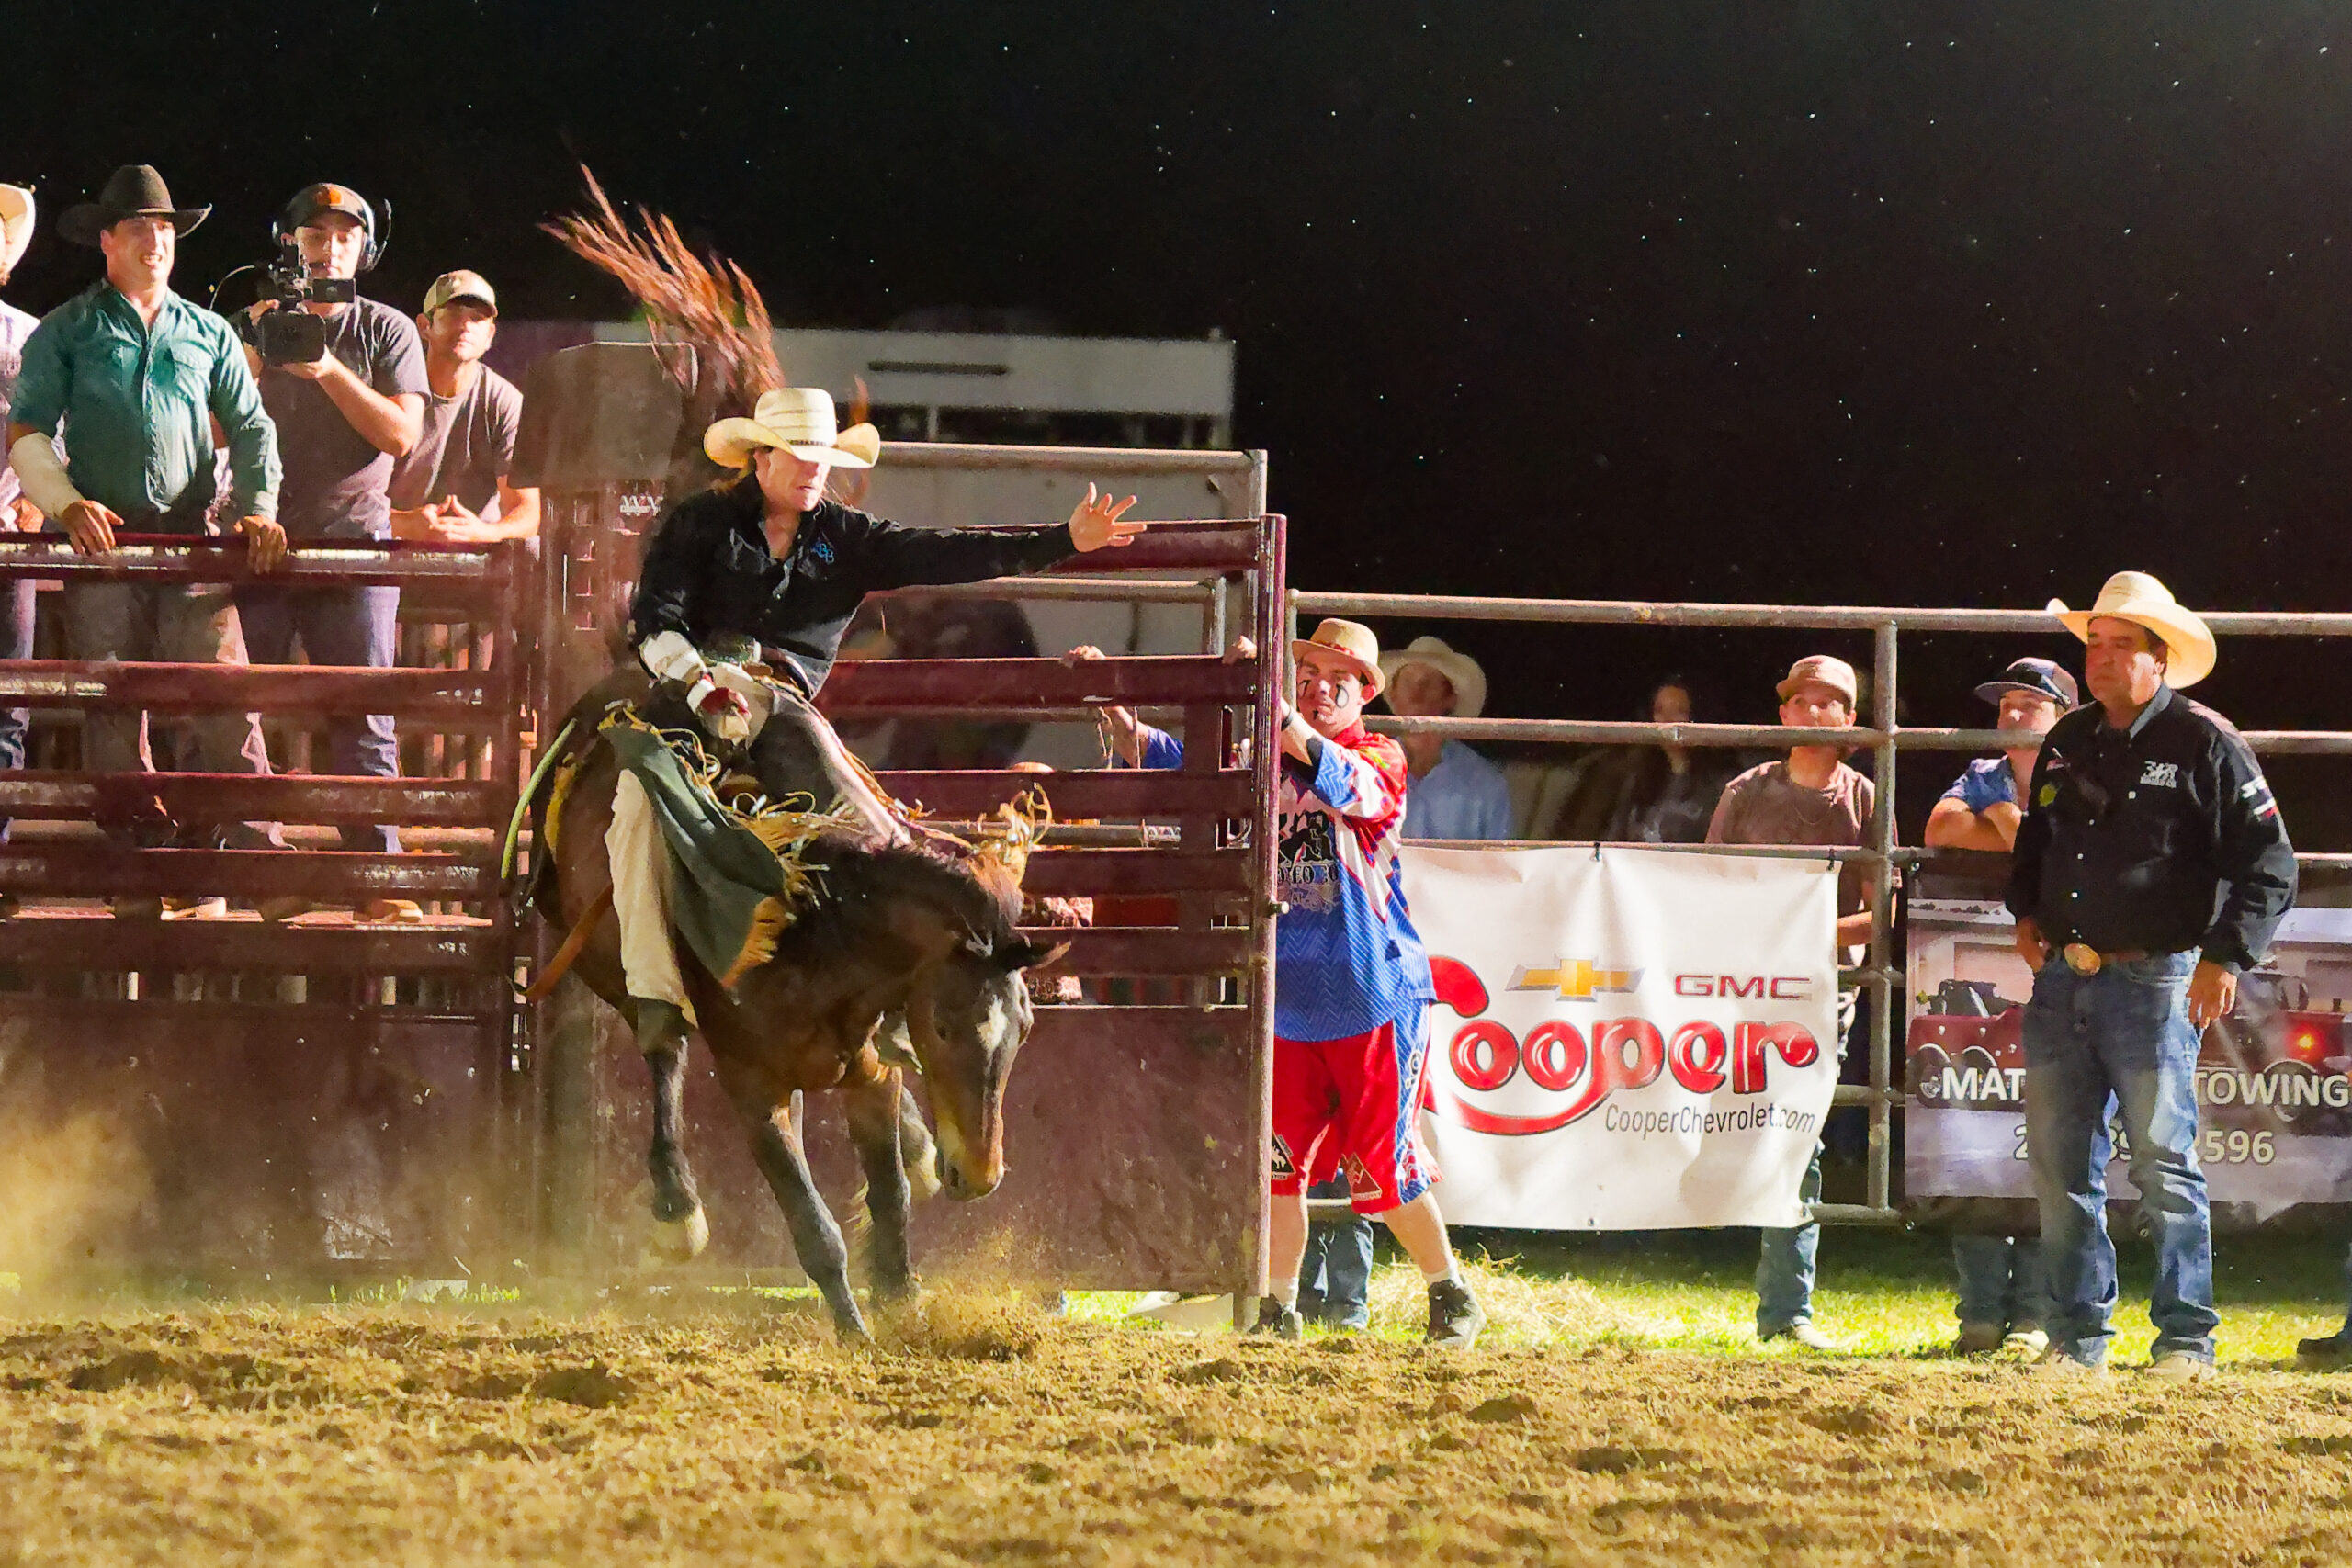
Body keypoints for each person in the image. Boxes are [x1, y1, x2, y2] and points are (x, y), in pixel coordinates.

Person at [613, 385, 1143, 1057]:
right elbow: (654, 621)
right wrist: (700, 686)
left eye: (822, 456)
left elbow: (950, 552)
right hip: (686, 699)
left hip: (784, 709)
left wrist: (1062, 540)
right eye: (798, 454)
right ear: (760, 458)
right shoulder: (700, 522)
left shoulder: (845, 538)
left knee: (864, 830)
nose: (814, 468)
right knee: (636, 807)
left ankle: (874, 999)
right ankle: (655, 991)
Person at [1083, 619, 1486, 1347]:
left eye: (1338, 679)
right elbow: (1196, 768)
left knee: (1385, 1169)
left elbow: (1344, 781)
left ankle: (1449, 1292)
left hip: (1372, 994)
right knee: (1276, 1167)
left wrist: (1275, 710)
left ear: (1365, 692)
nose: (1320, 688)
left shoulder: (1380, 756)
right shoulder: (1263, 755)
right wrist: (1131, 730)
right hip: (1289, 1000)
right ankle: (1277, 1307)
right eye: (1309, 675)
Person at [2009, 571, 2295, 1382]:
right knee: (2061, 1162)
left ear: (2159, 658)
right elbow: (2037, 836)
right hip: (2066, 976)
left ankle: (2183, 1339)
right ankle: (2079, 1337)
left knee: (2163, 1162)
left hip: (2155, 977)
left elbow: (2270, 861)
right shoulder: (2069, 737)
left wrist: (2224, 955)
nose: (2100, 658)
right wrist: (2025, 908)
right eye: (2094, 643)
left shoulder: (2205, 742)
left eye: (2119, 645)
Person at [6, 165, 289, 919]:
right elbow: (27, 429)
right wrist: (67, 503)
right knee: (115, 705)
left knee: (222, 696)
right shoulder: (69, 328)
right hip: (108, 544)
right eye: (140, 228)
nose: (156, 240)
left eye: (164, 229)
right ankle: (144, 861)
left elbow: (252, 426)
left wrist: (258, 506)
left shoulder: (205, 330)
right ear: (108, 240)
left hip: (188, 539)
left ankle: (253, 856)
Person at [238, 183, 428, 921]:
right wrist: (255, 350)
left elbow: (401, 435)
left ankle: (376, 876)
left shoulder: (387, 328)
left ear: (365, 249)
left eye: (346, 235)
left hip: (355, 543)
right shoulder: (253, 321)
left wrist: (325, 367)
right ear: (289, 243)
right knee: (232, 704)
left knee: (363, 711)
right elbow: (215, 428)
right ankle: (244, 868)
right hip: (260, 537)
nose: (330, 247)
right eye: (316, 234)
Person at [1706, 654, 1876, 1350]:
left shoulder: (1866, 799)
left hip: (1819, 992)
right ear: (1782, 713)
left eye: (1828, 702)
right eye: (1801, 701)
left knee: (1798, 1136)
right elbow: (1705, 887)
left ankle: (1785, 1307)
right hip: (1742, 988)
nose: (1812, 712)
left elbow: (1883, 913)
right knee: (1718, 1123)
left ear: (1850, 721)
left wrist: (1801, 933)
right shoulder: (1745, 791)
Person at [1924, 655, 2078, 1359]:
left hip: (2062, 961)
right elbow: (1939, 828)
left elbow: (2062, 854)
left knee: (2051, 1138)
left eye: (2031, 703)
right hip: (1995, 957)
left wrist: (2001, 817)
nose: (2013, 713)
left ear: (2062, 716)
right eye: (2007, 703)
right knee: (1977, 1138)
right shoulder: (1982, 771)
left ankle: (2035, 1312)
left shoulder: (2080, 772)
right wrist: (2013, 825)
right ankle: (1982, 1312)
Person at [388, 269, 538, 543]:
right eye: (454, 314)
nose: (466, 326)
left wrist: (482, 533)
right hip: (391, 546)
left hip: (474, 551)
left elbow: (527, 512)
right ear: (424, 325)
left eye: (477, 318)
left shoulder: (504, 402)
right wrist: (404, 525)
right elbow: (350, 506)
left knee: (532, 548)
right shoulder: (391, 388)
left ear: (490, 335)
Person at [0, 184, 41, 875]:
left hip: (6, 542)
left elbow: (55, 429)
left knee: (7, 710)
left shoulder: (31, 338)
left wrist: (35, 501)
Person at [1376, 636, 1513, 840]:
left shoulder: (1485, 783)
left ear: (1450, 699)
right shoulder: (1368, 768)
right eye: (1407, 682)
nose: (1416, 694)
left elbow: (1501, 856)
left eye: (1428, 683)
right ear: (1393, 695)